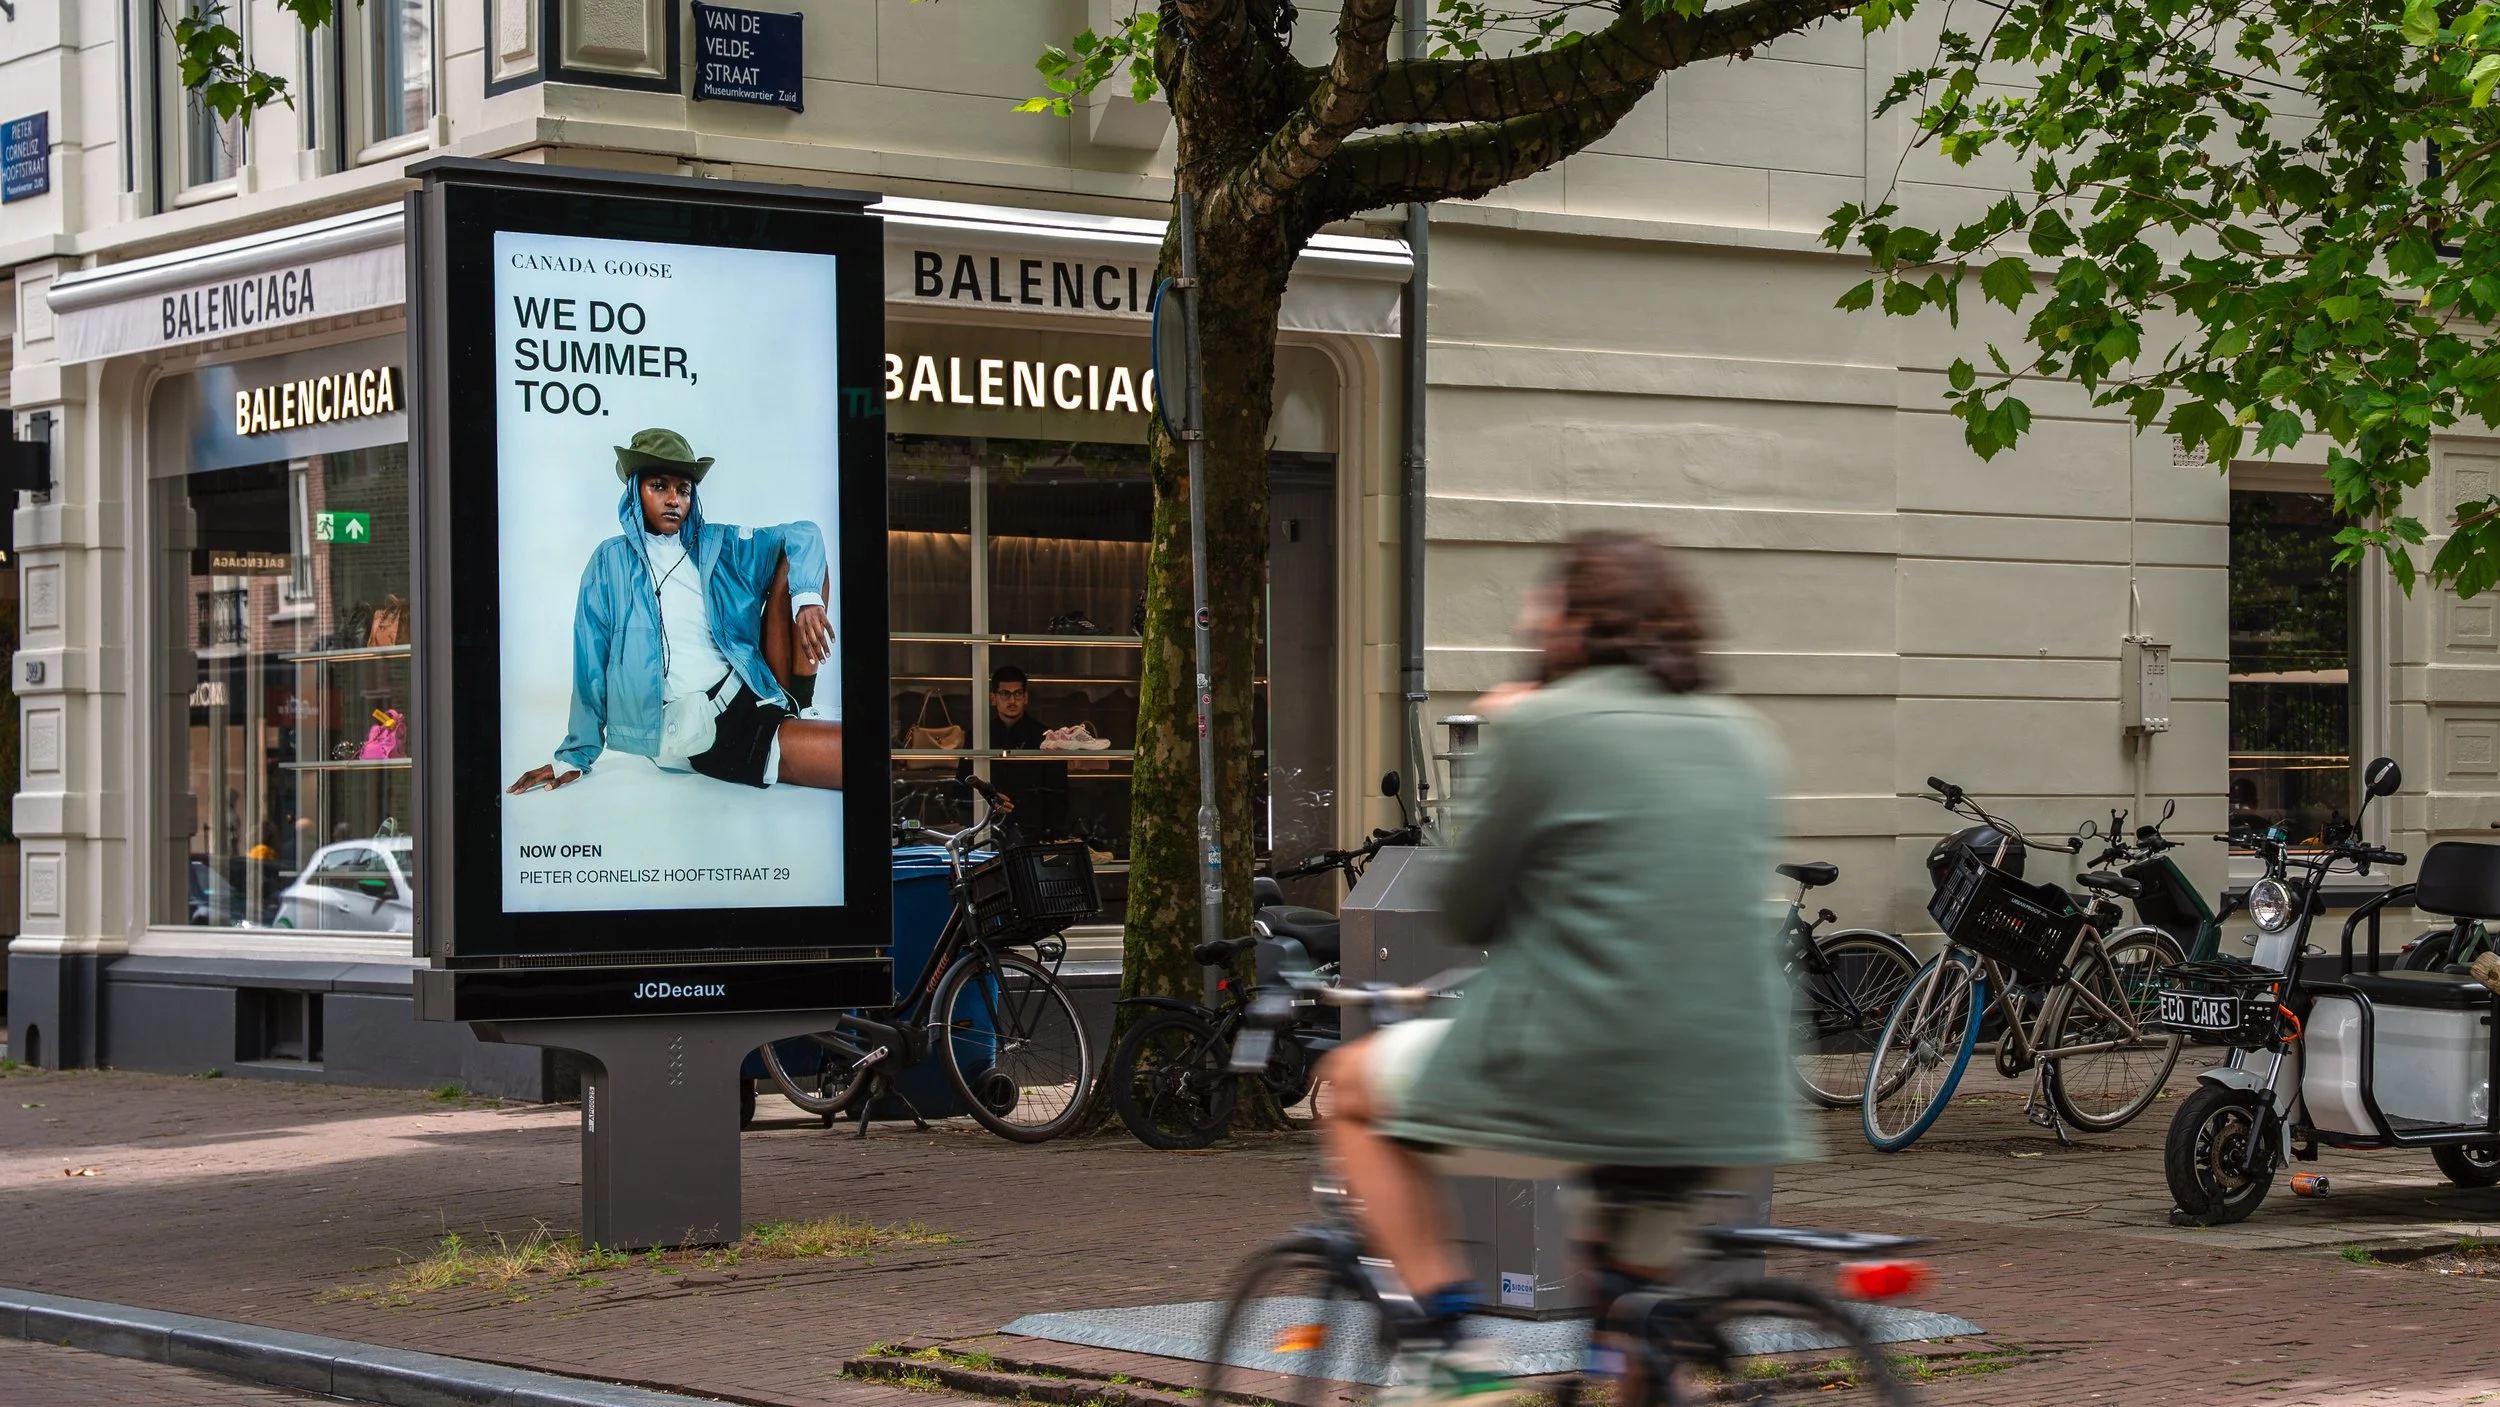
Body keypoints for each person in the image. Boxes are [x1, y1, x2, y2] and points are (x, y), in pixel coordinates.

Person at [1317, 531, 1805, 1406]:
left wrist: (1505, 749)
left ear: (1578, 623)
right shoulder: (1743, 735)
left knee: (1351, 1087)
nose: (1533, 622)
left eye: (1546, 608)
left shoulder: (1540, 725)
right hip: (1730, 1088)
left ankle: (1444, 1352)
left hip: (1582, 1068)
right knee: (1627, 1323)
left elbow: (1467, 908)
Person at [508, 427, 844, 795]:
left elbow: (803, 533)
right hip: (715, 729)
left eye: (683, 490)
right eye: (659, 486)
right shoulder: (610, 562)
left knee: (802, 564)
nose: (673, 500)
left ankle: (800, 704)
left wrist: (807, 600)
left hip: (756, 686)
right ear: (635, 490)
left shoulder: (718, 544)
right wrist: (574, 755)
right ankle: (791, 721)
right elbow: (590, 663)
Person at [976, 664, 1069, 839]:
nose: (1012, 701)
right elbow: (962, 786)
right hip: (987, 831)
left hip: (1034, 831)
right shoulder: (979, 736)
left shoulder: (1045, 737)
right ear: (993, 698)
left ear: (1025, 697)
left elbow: (1057, 794)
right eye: (1005, 694)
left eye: (1018, 693)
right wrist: (987, 798)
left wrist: (1054, 837)